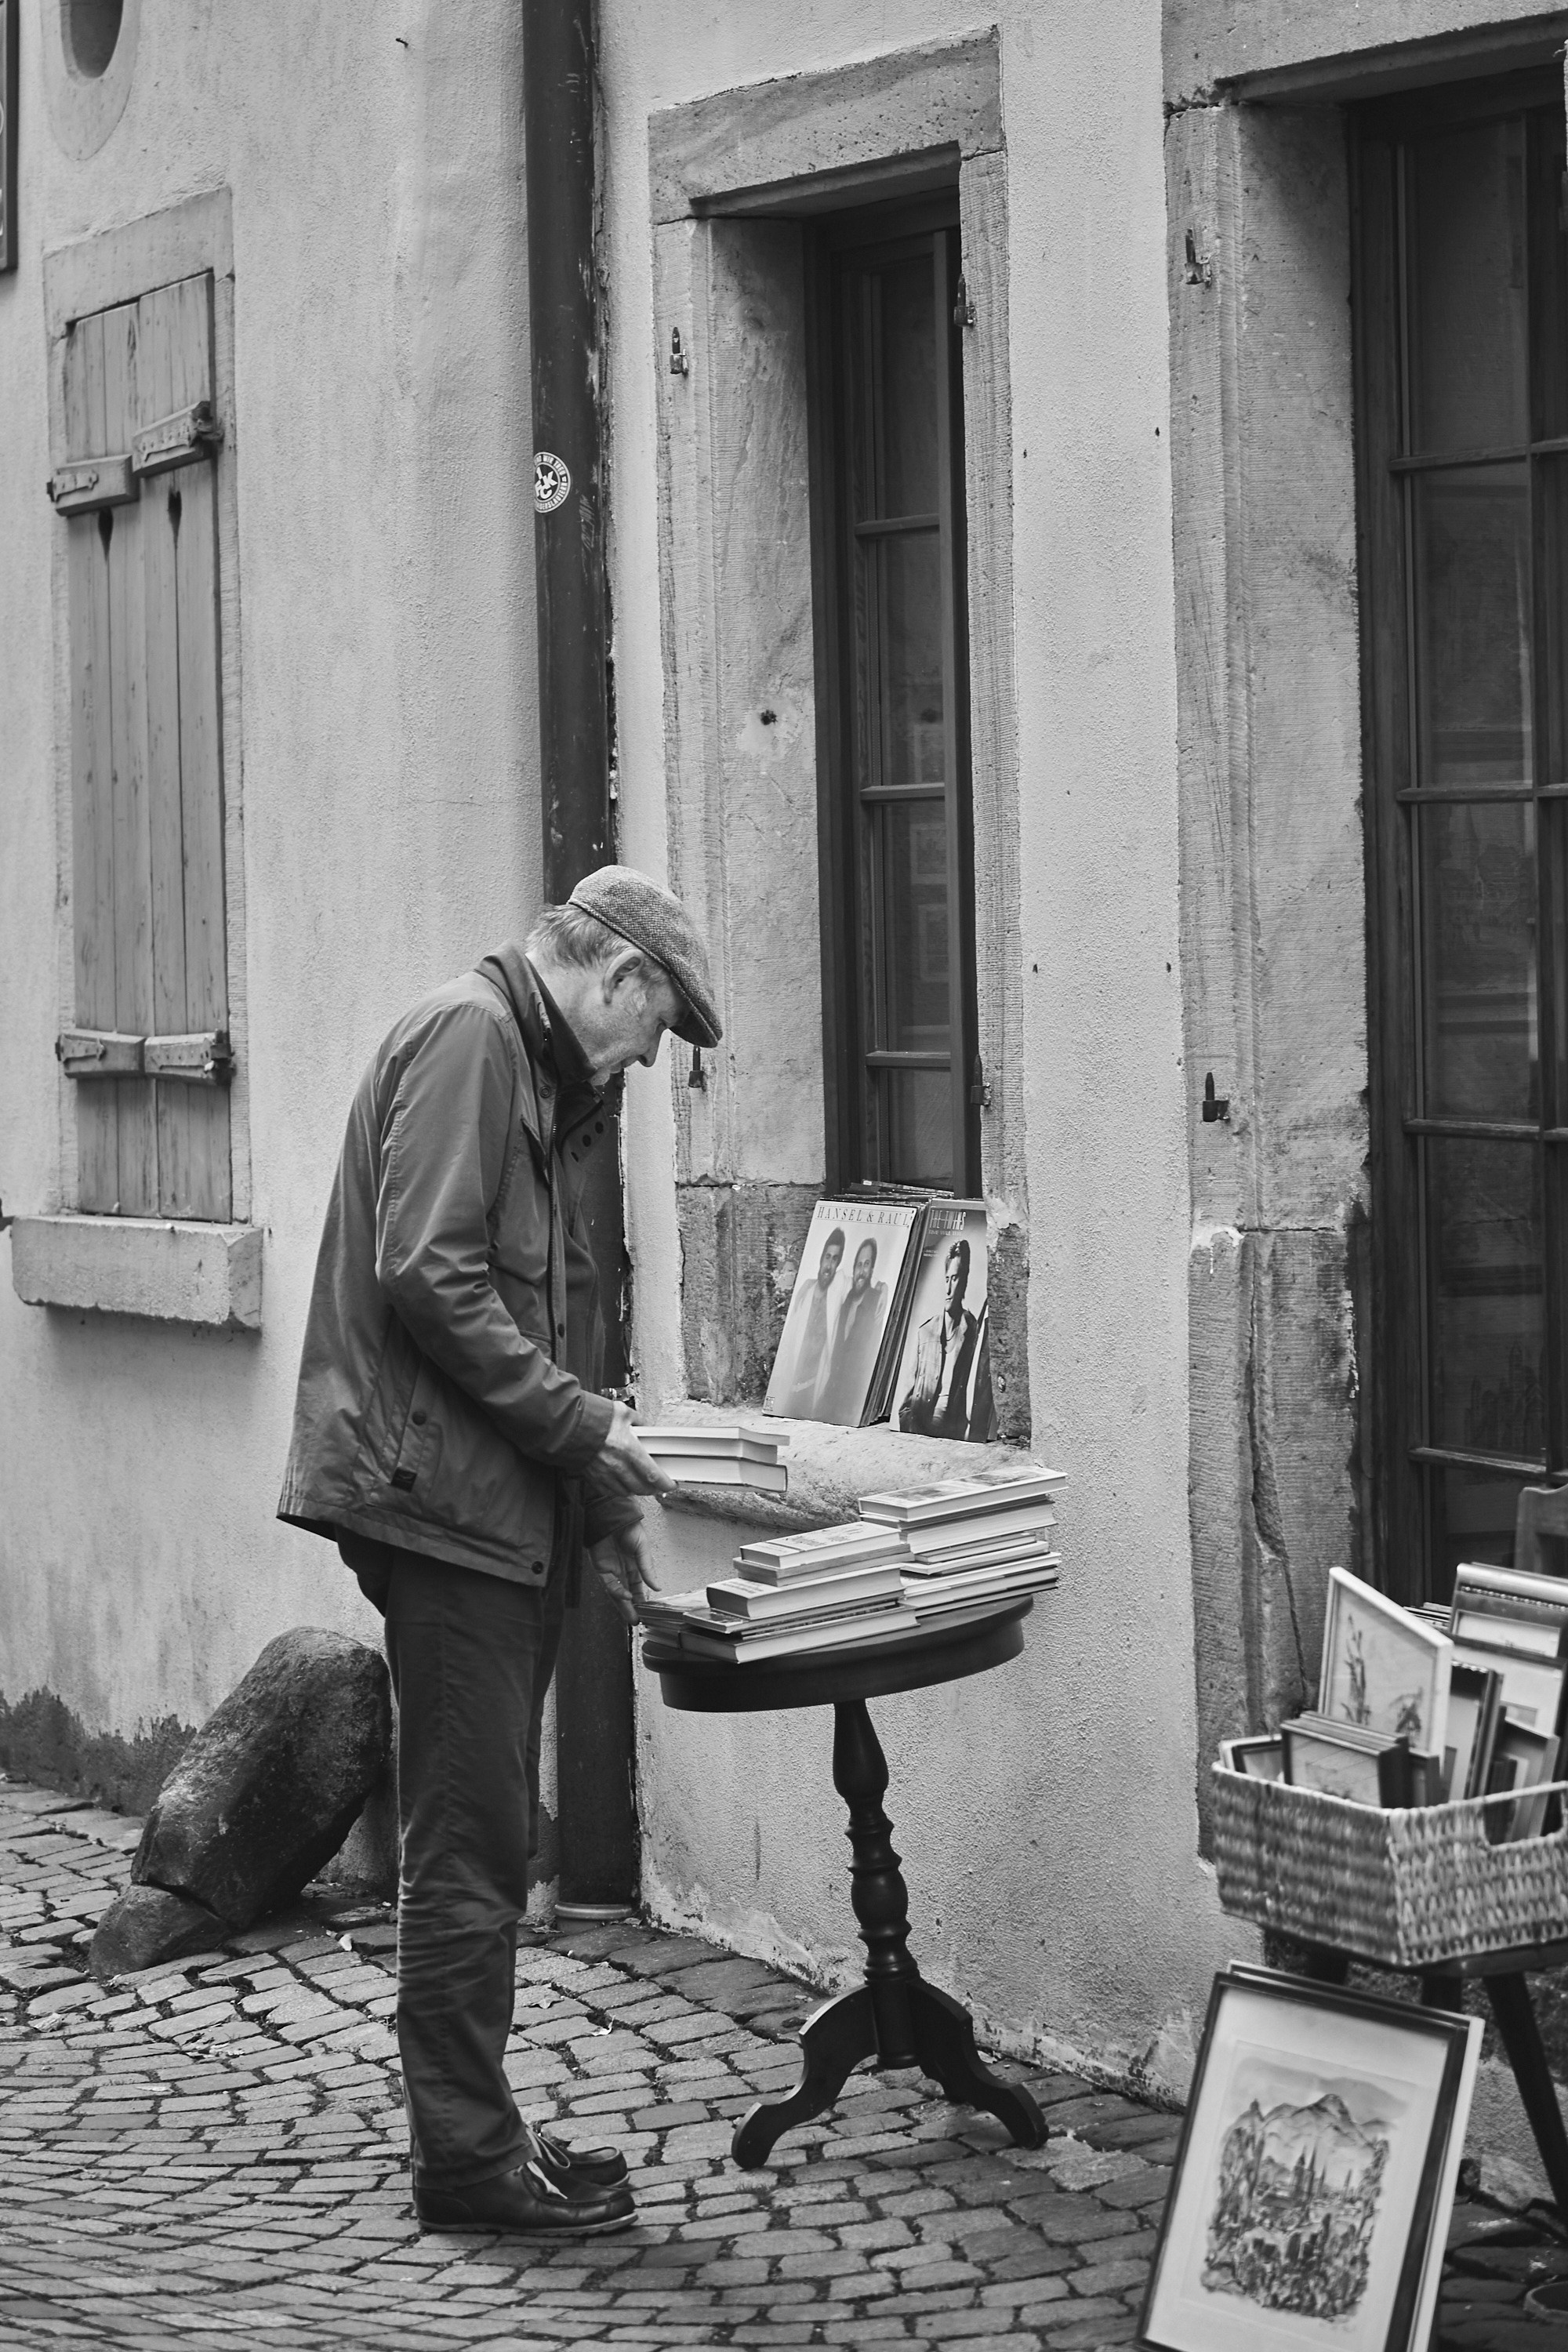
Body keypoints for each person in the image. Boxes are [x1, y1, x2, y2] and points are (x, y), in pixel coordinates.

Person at [276, 866, 721, 2241]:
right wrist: (585, 1432)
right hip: (448, 1515)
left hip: (489, 1514)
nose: (653, 1060)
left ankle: (486, 2137)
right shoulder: (473, 1040)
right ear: (619, 979)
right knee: (471, 1847)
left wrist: (601, 1519)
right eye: (657, 1028)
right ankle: (466, 2165)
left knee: (486, 1836)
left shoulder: (538, 1081)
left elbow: (534, 1332)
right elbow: (433, 1273)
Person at [897, 1235, 982, 1439]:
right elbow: (906, 1399)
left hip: (952, 1437)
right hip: (917, 1432)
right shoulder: (925, 1331)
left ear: (965, 1280)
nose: (949, 1289)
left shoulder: (973, 1331)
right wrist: (908, 1427)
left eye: (955, 1278)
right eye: (946, 1279)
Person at [768, 1226, 844, 1417]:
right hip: (791, 1385)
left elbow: (869, 1283)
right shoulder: (805, 1291)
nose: (829, 1265)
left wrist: (883, 1288)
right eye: (828, 1257)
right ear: (821, 1259)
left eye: (835, 1259)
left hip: (814, 1388)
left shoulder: (838, 1294)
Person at [815, 1236, 887, 1425]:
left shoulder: (876, 1303)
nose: (861, 1271)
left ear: (872, 1270)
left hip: (856, 1407)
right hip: (830, 1400)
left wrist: (884, 1288)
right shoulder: (846, 1298)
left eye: (866, 1265)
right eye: (858, 1265)